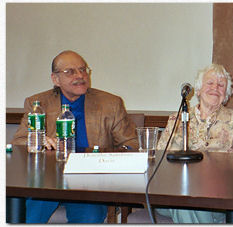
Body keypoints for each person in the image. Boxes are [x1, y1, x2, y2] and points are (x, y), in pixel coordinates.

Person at [11, 50, 138, 223]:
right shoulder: (38, 103)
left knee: (89, 217)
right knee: (29, 217)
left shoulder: (110, 104)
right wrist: (37, 141)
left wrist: (112, 159)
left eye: (83, 69)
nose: (80, 76)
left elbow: (131, 143)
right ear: (55, 79)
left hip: (89, 184)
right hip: (47, 182)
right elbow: (18, 141)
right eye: (70, 72)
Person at [153, 63, 233, 223]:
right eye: (210, 83)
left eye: (221, 85)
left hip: (217, 195)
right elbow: (158, 158)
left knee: (184, 204)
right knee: (183, 198)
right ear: (199, 89)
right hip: (171, 191)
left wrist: (231, 163)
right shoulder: (177, 119)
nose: (215, 88)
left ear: (227, 94)